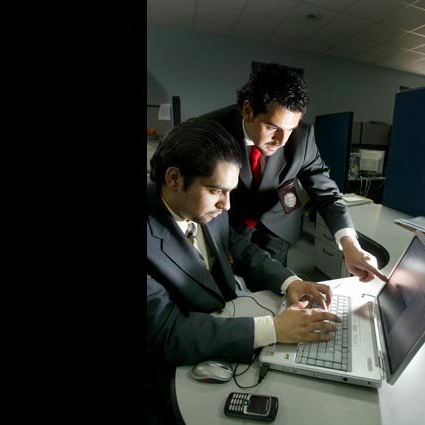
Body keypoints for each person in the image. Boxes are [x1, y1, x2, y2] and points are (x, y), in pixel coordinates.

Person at [147, 117, 341, 424]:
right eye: (216, 191)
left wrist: (289, 281)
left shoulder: (204, 204)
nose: (226, 206)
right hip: (176, 367)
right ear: (173, 178)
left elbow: (238, 246)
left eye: (230, 192)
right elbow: (167, 334)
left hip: (226, 322)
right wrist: (273, 329)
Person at [201, 62, 388, 282]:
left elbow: (327, 194)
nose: (281, 141)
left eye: (290, 129)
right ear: (248, 111)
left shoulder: (303, 137)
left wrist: (350, 244)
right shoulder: (210, 130)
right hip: (230, 223)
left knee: (275, 283)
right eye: (272, 127)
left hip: (278, 222)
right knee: (230, 283)